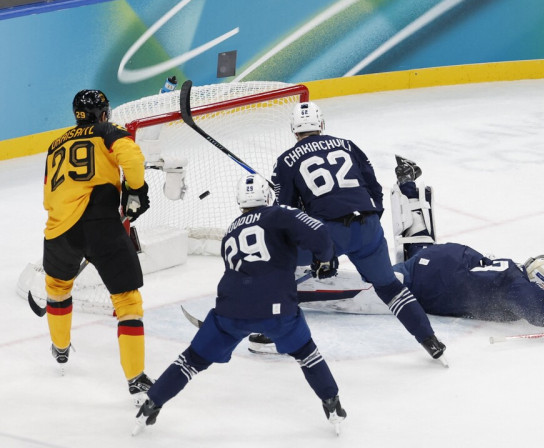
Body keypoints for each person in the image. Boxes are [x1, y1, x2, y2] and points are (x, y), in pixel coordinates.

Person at [250, 157, 544, 350]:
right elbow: (530, 300)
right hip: (422, 277)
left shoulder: (508, 270)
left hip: (435, 261)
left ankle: (408, 186)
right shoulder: (512, 283)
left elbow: (451, 267)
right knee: (356, 292)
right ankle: (275, 298)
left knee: (416, 247)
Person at [133, 174, 347, 436]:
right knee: (306, 353)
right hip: (277, 310)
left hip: (230, 312)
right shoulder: (279, 214)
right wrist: (325, 260)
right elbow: (319, 233)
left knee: (190, 361)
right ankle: (332, 403)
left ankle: (152, 403)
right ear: (267, 196)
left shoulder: (232, 231)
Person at [270, 102, 447, 363]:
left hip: (328, 232)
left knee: (274, 260)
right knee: (389, 288)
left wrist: (321, 250)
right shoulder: (348, 145)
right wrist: (369, 224)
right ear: (321, 124)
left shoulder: (286, 160)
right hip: (368, 227)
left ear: (294, 130)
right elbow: (374, 189)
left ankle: (270, 328)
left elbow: (285, 213)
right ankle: (429, 340)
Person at [41, 89, 153, 402]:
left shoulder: (55, 145)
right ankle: (135, 377)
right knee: (127, 301)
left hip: (60, 228)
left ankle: (60, 349)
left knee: (58, 288)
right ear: (103, 113)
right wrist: (136, 190)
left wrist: (64, 225)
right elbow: (131, 157)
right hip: (102, 224)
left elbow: (49, 191)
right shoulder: (108, 131)